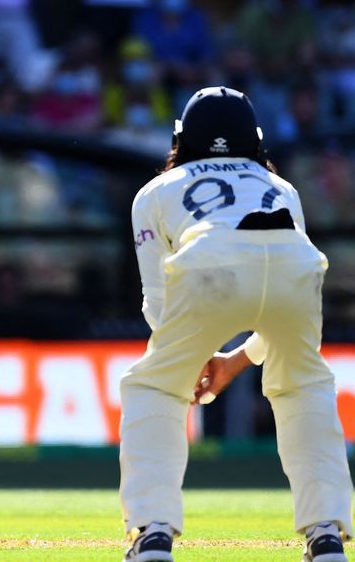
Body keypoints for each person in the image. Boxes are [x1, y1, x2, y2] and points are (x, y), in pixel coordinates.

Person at [120, 86, 352, 562]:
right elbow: (274, 287)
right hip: (297, 263)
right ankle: (326, 533)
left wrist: (194, 357)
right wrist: (237, 360)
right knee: (304, 386)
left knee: (154, 387)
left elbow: (158, 300)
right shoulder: (281, 187)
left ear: (180, 139)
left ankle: (154, 532)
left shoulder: (155, 192)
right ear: (256, 139)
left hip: (210, 263)